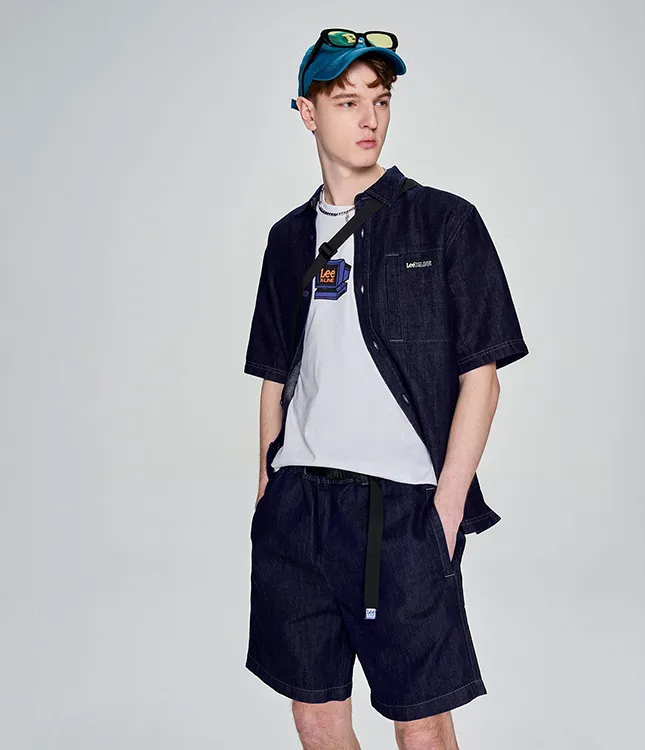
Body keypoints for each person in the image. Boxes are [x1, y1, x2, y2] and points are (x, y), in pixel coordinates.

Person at [243, 28, 529, 750]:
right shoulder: (286, 240)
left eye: (380, 99)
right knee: (315, 716)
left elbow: (482, 377)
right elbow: (275, 375)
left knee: (421, 723)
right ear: (308, 112)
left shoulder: (446, 222)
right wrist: (268, 490)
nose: (369, 118)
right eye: (347, 101)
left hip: (402, 509)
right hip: (300, 506)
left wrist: (446, 507)